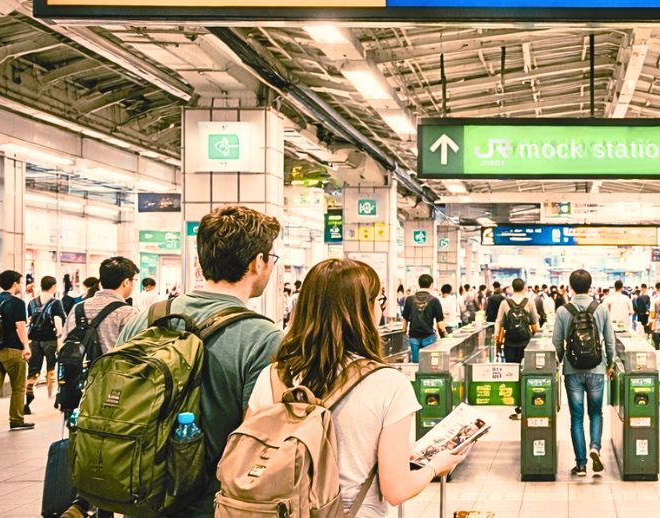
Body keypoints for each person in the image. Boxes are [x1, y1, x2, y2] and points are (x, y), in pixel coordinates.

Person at [247, 259, 467, 517]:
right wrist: (435, 466)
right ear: (362, 310)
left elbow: (251, 453)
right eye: (378, 300)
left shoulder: (273, 376)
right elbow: (396, 489)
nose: (381, 308)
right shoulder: (388, 384)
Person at [115, 205, 284, 518]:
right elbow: (259, 440)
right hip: (213, 505)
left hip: (139, 495)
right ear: (257, 262)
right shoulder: (263, 337)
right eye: (271, 259)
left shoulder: (144, 321)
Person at [553, 269, 615, 478]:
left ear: (571, 287)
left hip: (573, 369)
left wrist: (559, 363)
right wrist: (611, 362)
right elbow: (609, 340)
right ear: (591, 286)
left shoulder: (563, 310)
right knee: (596, 413)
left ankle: (580, 465)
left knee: (576, 418)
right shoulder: (601, 309)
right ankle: (595, 447)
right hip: (597, 368)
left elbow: (556, 343)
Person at [0, 270, 34, 432]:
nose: (21, 286)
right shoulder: (17, 303)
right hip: (12, 350)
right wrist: (26, 346)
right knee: (18, 387)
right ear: (15, 284)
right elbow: (20, 326)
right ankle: (16, 420)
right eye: (21, 282)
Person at [65, 257, 140, 355]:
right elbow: (136, 351)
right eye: (135, 280)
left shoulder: (78, 308)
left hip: (80, 369)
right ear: (126, 282)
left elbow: (66, 339)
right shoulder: (128, 312)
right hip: (113, 369)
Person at [496, 278, 539, 420]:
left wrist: (497, 341)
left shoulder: (505, 303)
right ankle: (526, 403)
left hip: (510, 343)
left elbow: (500, 323)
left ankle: (516, 404)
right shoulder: (530, 302)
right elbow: (534, 325)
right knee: (526, 373)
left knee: (512, 374)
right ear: (525, 287)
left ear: (512, 288)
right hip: (526, 343)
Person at [25, 275, 65, 413]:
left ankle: (27, 401)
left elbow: (29, 321)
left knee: (33, 370)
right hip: (50, 340)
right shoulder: (56, 302)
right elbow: (58, 320)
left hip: (34, 341)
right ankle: (51, 397)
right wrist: (60, 335)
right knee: (51, 368)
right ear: (53, 286)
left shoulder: (31, 302)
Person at [401, 274, 446, 363]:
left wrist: (404, 334)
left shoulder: (409, 299)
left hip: (413, 336)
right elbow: (440, 323)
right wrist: (444, 336)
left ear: (419, 284)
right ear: (431, 284)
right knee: (428, 365)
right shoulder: (434, 300)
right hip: (429, 336)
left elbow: (405, 319)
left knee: (416, 364)